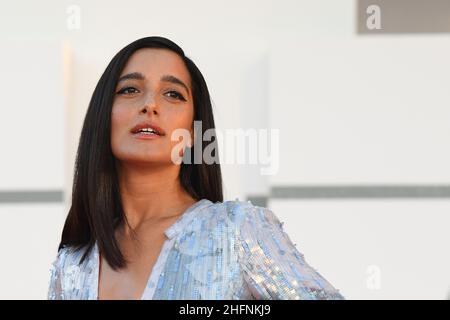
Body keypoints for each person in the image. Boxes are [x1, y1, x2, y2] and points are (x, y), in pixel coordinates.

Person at [47, 36, 344, 300]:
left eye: (173, 94)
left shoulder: (238, 232)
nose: (150, 104)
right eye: (130, 89)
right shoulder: (72, 265)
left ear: (193, 130)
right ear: (103, 115)